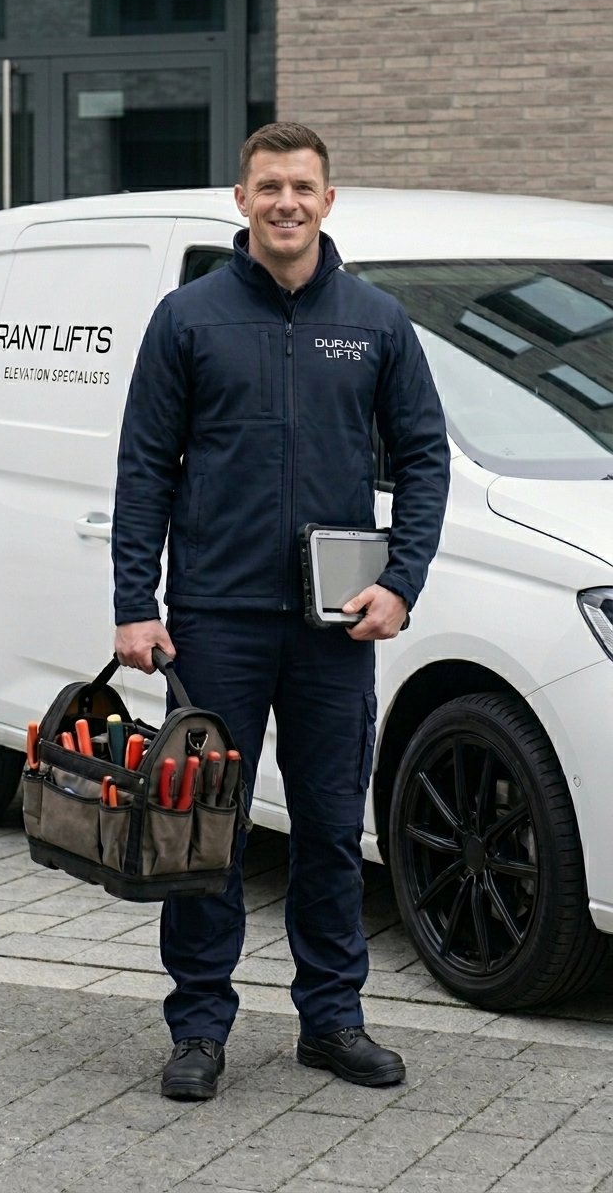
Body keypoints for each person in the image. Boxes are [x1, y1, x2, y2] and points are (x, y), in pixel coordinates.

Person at [112, 122, 450, 1100]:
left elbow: (424, 457)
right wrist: (137, 601)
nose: (287, 202)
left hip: (336, 627)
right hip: (215, 617)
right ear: (242, 197)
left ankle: (332, 1019)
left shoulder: (378, 321)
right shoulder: (189, 317)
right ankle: (201, 1026)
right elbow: (145, 465)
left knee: (333, 829)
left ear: (329, 200)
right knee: (203, 827)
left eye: (303, 186)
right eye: (270, 186)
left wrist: (403, 581)